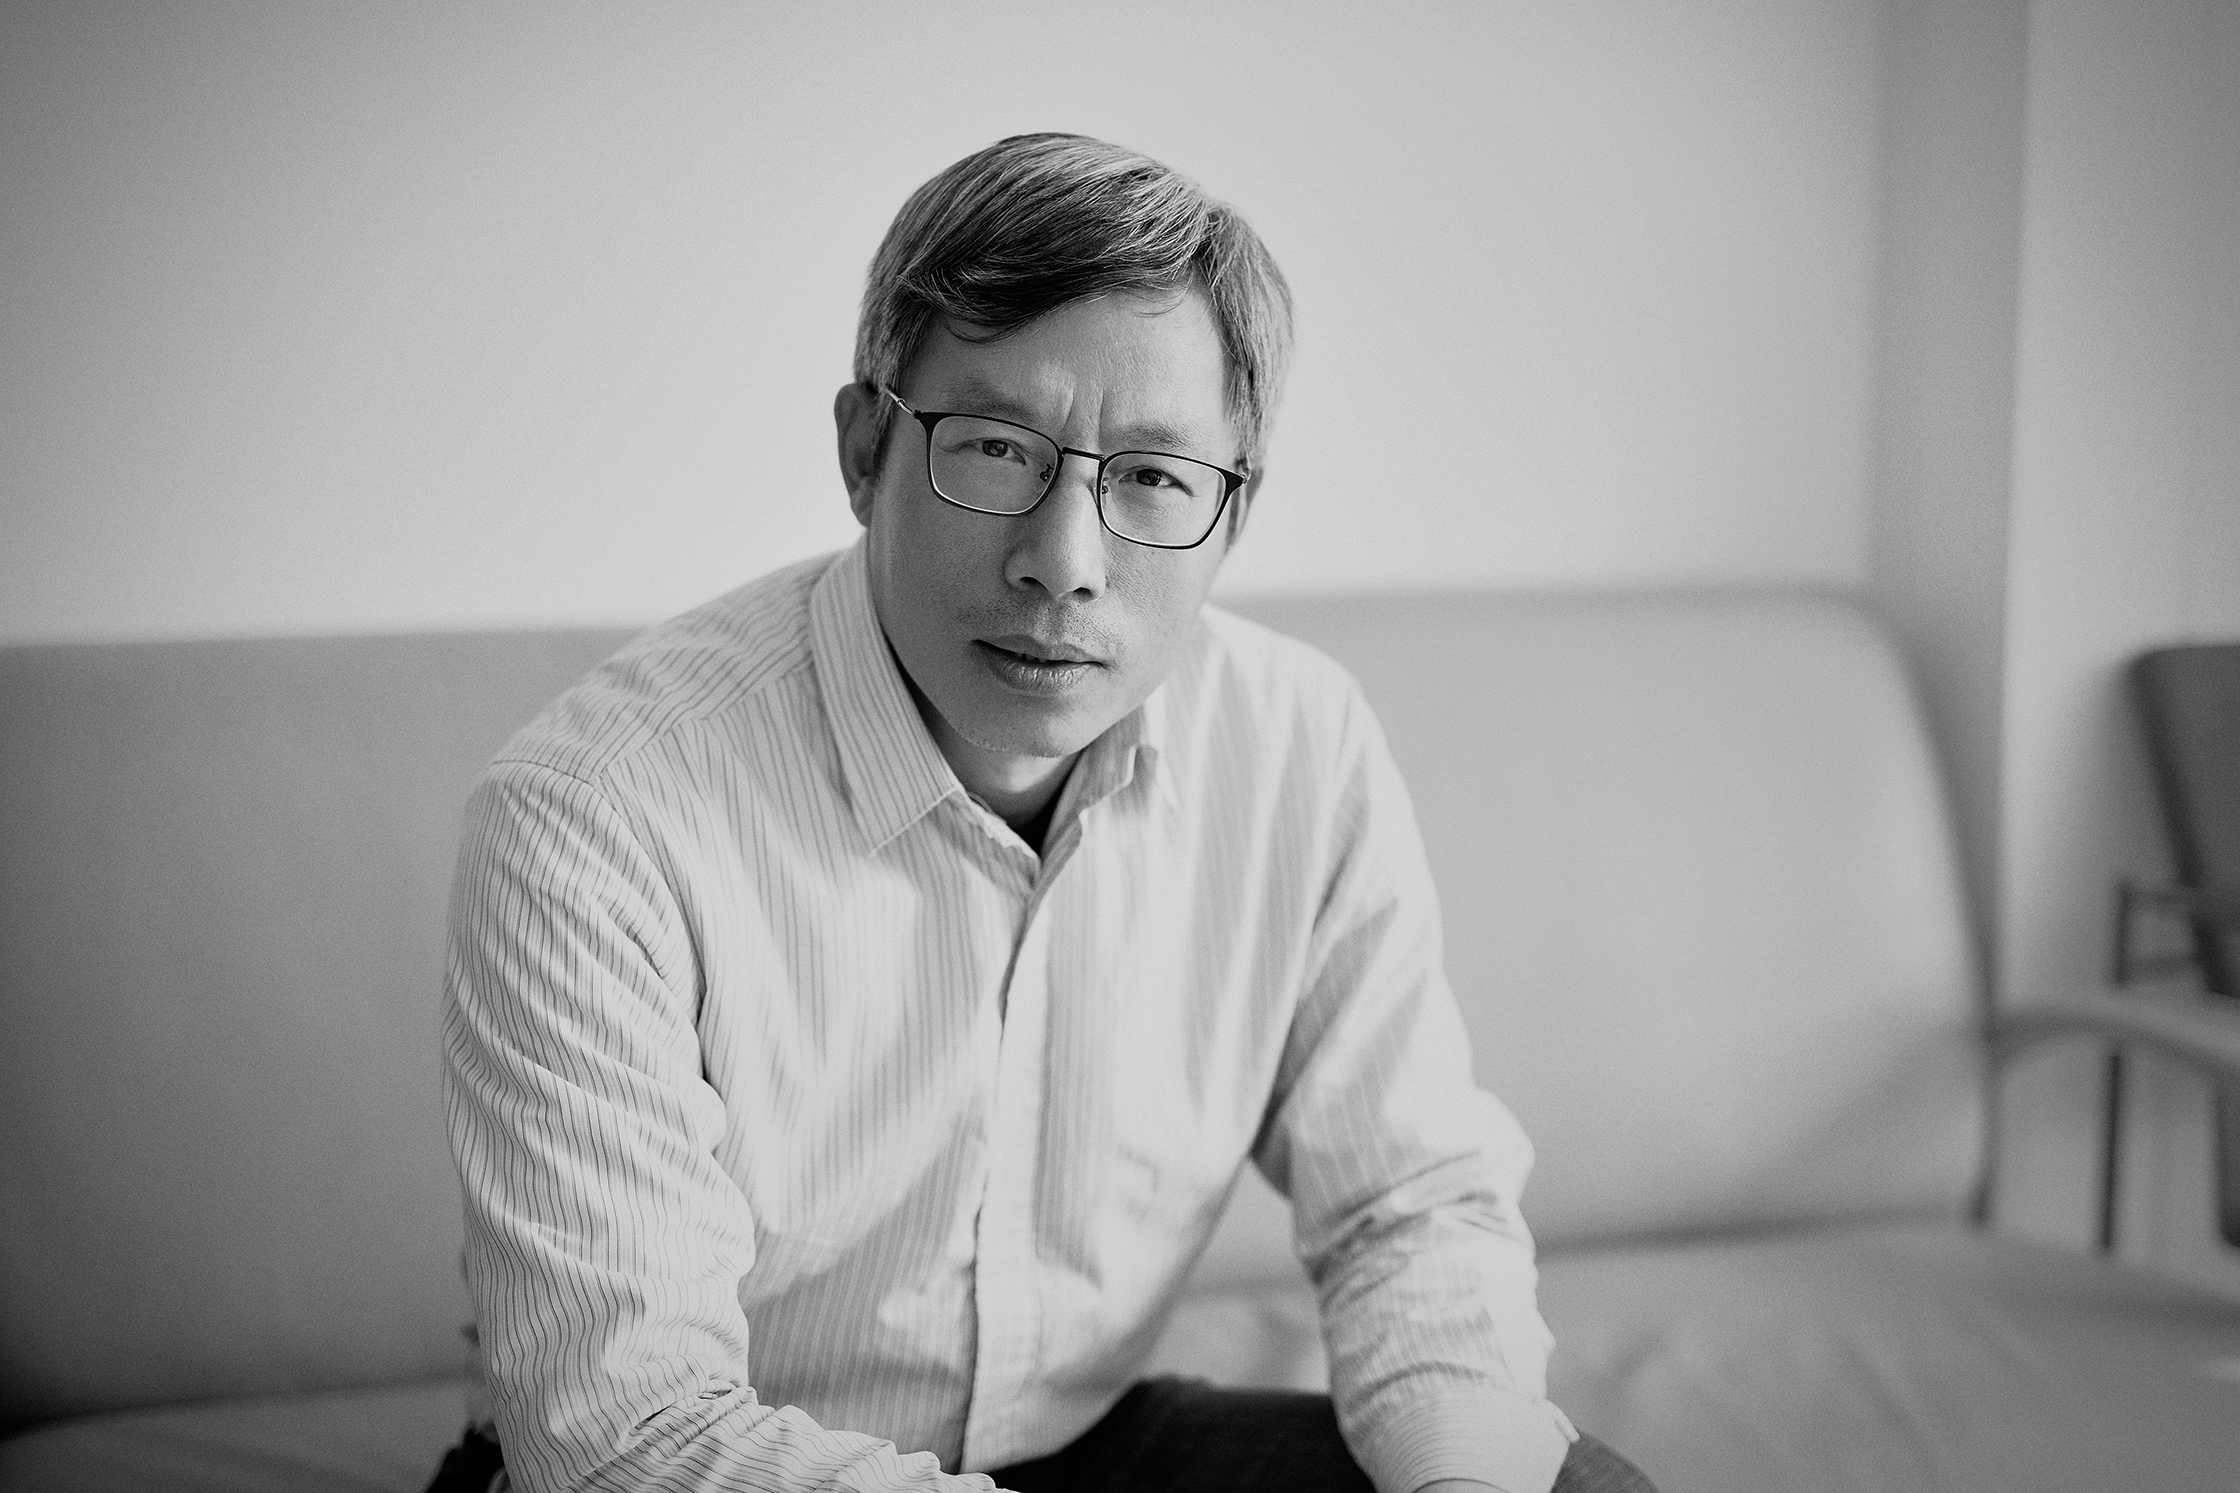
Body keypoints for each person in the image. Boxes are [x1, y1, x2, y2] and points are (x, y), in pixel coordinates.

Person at [431, 132, 1656, 1493]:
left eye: (1152, 477)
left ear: (1233, 514)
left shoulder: (1300, 749)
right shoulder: (593, 818)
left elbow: (1408, 1204)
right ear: (864, 450)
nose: (1064, 563)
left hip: (1082, 1447)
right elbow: (624, 1437)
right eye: (997, 450)